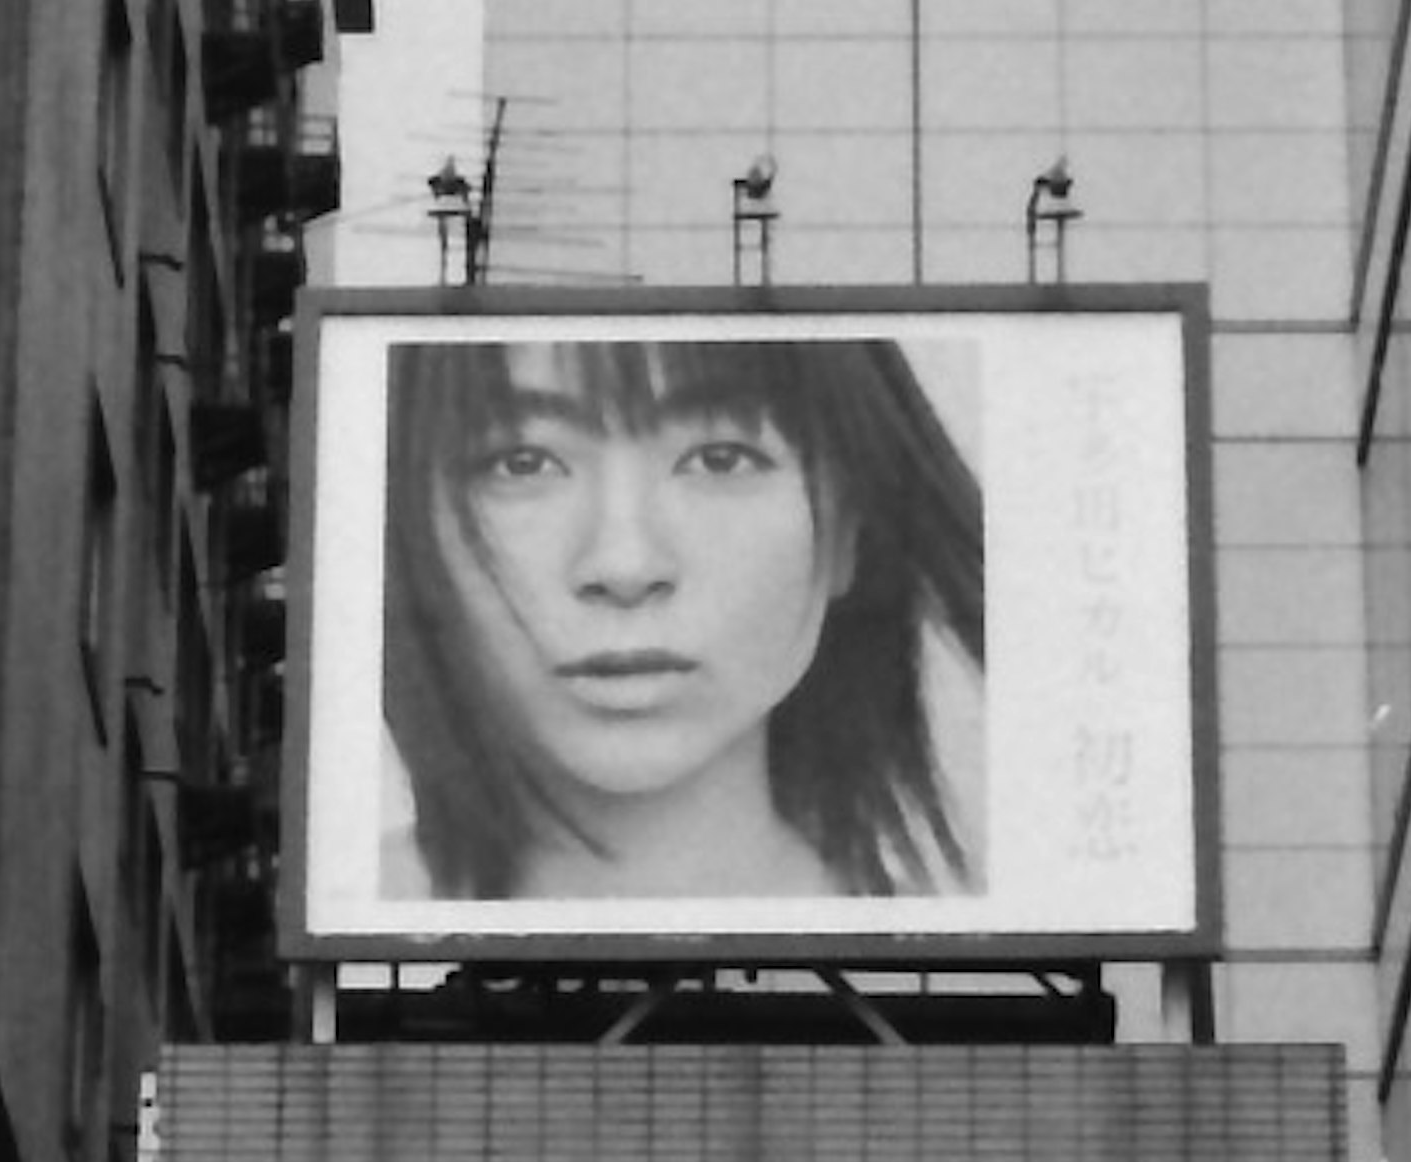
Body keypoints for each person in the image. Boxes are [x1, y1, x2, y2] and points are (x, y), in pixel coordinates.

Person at [378, 329, 985, 909]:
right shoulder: (343, 940)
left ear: (845, 535)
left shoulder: (956, 976)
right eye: (522, 461)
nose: (624, 565)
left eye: (721, 459)